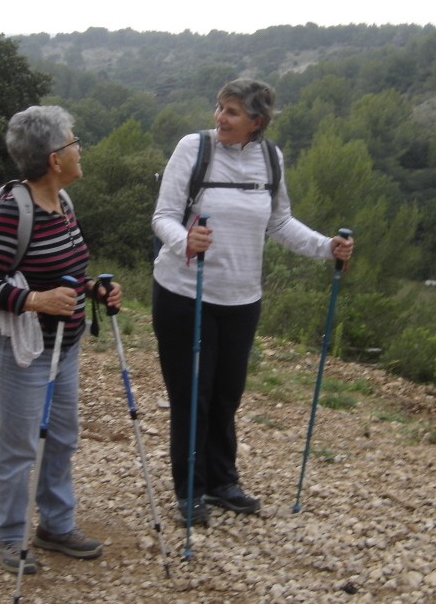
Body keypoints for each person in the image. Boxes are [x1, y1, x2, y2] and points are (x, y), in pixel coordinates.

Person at [151, 78, 354, 525]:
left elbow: (279, 223)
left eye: (233, 112)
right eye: (220, 108)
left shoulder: (270, 158)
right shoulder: (193, 149)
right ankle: (190, 489)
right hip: (185, 294)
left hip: (242, 299)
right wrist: (186, 240)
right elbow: (163, 216)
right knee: (192, 396)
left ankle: (223, 482)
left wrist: (326, 247)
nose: (221, 118)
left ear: (256, 122)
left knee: (227, 395)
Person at [0, 104, 121, 573]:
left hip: (65, 346)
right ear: (55, 157)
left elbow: (66, 273)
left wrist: (93, 289)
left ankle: (55, 525)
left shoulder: (62, 203)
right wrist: (36, 302)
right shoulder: (11, 210)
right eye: (74, 141)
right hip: (22, 351)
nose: (80, 148)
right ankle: (9, 536)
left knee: (61, 437)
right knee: (19, 446)